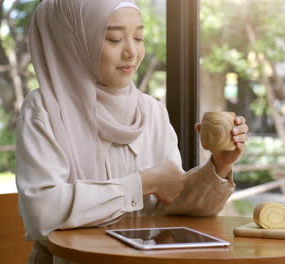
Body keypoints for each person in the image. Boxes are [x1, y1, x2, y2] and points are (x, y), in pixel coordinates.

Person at [15, 0, 249, 263]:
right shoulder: (45, 109)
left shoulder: (152, 111)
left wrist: (219, 165)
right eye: (114, 39)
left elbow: (173, 206)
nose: (132, 52)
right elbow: (43, 212)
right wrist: (143, 183)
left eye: (139, 37)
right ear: (74, 42)